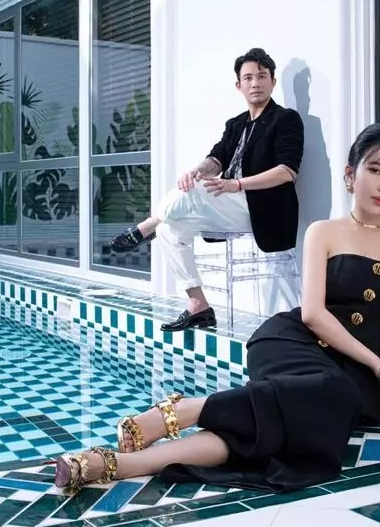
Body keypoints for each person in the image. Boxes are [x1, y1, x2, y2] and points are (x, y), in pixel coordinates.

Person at [55, 123, 380, 495]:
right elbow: (313, 315)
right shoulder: (324, 232)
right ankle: (188, 412)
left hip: (355, 378)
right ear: (351, 175)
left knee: (278, 427)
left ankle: (125, 463)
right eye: (375, 170)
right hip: (295, 343)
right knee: (329, 396)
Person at [107, 48, 304, 332]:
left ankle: (146, 226)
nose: (255, 83)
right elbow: (216, 159)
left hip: (264, 208)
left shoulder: (285, 119)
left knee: (193, 193)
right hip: (231, 205)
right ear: (239, 85)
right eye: (248, 78)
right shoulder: (236, 124)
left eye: (262, 76)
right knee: (169, 230)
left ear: (273, 82)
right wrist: (196, 172)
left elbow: (287, 172)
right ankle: (198, 305)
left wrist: (237, 184)